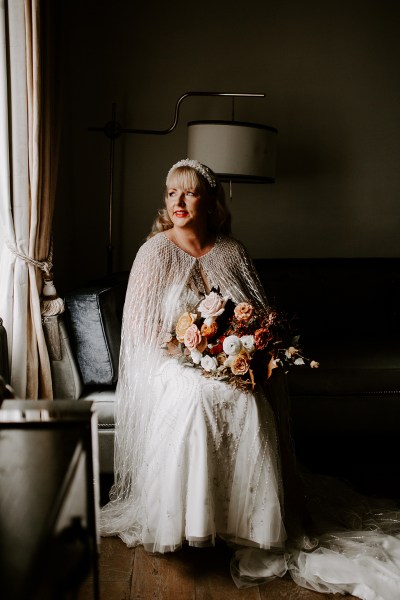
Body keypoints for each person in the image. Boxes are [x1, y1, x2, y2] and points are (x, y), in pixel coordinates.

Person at [101, 159, 400, 598]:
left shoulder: (231, 251)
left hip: (224, 360)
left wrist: (236, 349)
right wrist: (195, 351)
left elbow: (261, 320)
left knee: (247, 397)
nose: (178, 202)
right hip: (167, 363)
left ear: (211, 200)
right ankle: (190, 520)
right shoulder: (154, 252)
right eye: (171, 194)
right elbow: (143, 335)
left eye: (190, 193)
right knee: (196, 397)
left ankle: (249, 523)